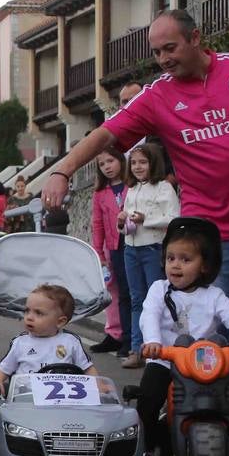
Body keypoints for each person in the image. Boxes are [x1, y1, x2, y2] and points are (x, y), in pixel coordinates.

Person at [41, 9, 229, 455]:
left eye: (170, 48)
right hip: (209, 233)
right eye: (156, 53)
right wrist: (62, 171)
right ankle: (220, 413)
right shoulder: (158, 96)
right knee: (209, 330)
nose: (163, 59)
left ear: (196, 38)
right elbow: (106, 134)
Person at [136, 218, 229, 456]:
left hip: (206, 362)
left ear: (204, 265)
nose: (175, 264)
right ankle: (145, 455)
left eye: (185, 259)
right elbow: (149, 315)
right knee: (148, 397)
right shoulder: (159, 290)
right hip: (167, 359)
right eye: (170, 257)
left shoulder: (214, 295)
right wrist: (152, 342)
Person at [118, 142, 179, 369]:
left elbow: (174, 217)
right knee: (136, 299)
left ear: (153, 163)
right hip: (131, 248)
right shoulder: (132, 189)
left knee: (156, 300)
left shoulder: (163, 187)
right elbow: (126, 226)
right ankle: (137, 349)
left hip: (153, 248)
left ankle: (158, 348)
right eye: (133, 163)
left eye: (142, 162)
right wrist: (121, 222)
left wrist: (147, 220)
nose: (137, 167)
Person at [0, 284, 98, 392]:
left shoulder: (70, 342)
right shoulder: (20, 343)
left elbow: (87, 368)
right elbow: (4, 368)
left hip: (64, 399)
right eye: (27, 311)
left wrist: (98, 385)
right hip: (26, 400)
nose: (29, 317)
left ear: (60, 321)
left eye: (38, 313)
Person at [90, 145, 131, 357]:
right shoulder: (100, 193)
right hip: (112, 247)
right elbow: (97, 223)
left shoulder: (132, 187)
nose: (107, 167)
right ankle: (115, 333)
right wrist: (99, 251)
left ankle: (132, 337)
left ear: (121, 161)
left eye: (110, 161)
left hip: (133, 243)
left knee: (130, 292)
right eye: (102, 164)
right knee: (113, 290)